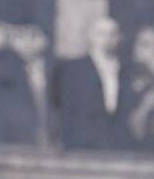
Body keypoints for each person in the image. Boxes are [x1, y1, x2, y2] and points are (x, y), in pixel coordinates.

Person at [54, 15, 127, 151]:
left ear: (119, 38)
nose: (107, 39)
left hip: (116, 146)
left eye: (112, 34)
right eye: (101, 34)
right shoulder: (72, 69)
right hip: (81, 145)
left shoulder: (126, 71)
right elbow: (62, 106)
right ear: (90, 36)